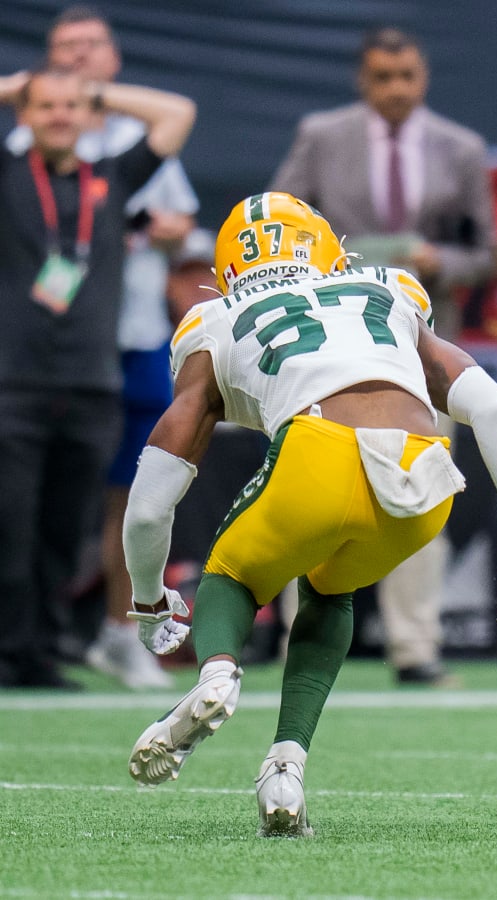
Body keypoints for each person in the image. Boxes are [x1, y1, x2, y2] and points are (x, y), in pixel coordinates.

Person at [122, 192, 497, 837]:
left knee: (232, 575)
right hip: (423, 479)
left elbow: (151, 504)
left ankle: (216, 674)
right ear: (325, 248)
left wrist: (151, 601)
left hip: (316, 455)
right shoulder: (386, 289)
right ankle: (285, 765)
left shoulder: (215, 319)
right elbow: (490, 409)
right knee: (332, 585)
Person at [271, 26, 497, 686]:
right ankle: (299, 642)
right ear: (362, 81)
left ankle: (415, 647)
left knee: (422, 493)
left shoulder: (462, 148)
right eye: (382, 78)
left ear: (422, 77)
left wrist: (442, 260)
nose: (396, 89)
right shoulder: (321, 135)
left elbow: (489, 251)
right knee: (312, 493)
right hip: (333, 343)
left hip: (423, 347)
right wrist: (326, 263)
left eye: (406, 76)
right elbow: (277, 220)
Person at [15, 5, 202, 690]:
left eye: (91, 48)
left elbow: (180, 227)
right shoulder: (20, 149)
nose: (78, 61)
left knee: (131, 493)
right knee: (32, 498)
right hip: (35, 353)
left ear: (112, 60)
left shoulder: (132, 144)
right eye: (63, 52)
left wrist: (168, 230)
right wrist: (29, 92)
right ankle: (33, 630)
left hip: (128, 339)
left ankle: (120, 627)